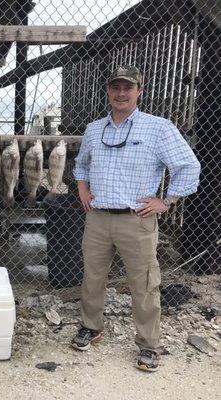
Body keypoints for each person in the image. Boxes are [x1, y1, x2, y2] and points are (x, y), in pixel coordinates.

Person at [72, 66, 201, 372]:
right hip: (99, 218)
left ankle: (148, 344)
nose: (121, 93)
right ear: (108, 90)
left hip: (137, 219)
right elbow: (81, 164)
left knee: (144, 284)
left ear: (139, 91)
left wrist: (167, 201)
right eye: (115, 87)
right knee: (92, 277)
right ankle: (92, 327)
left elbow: (188, 166)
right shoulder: (94, 129)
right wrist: (82, 189)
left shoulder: (158, 128)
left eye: (127, 88)